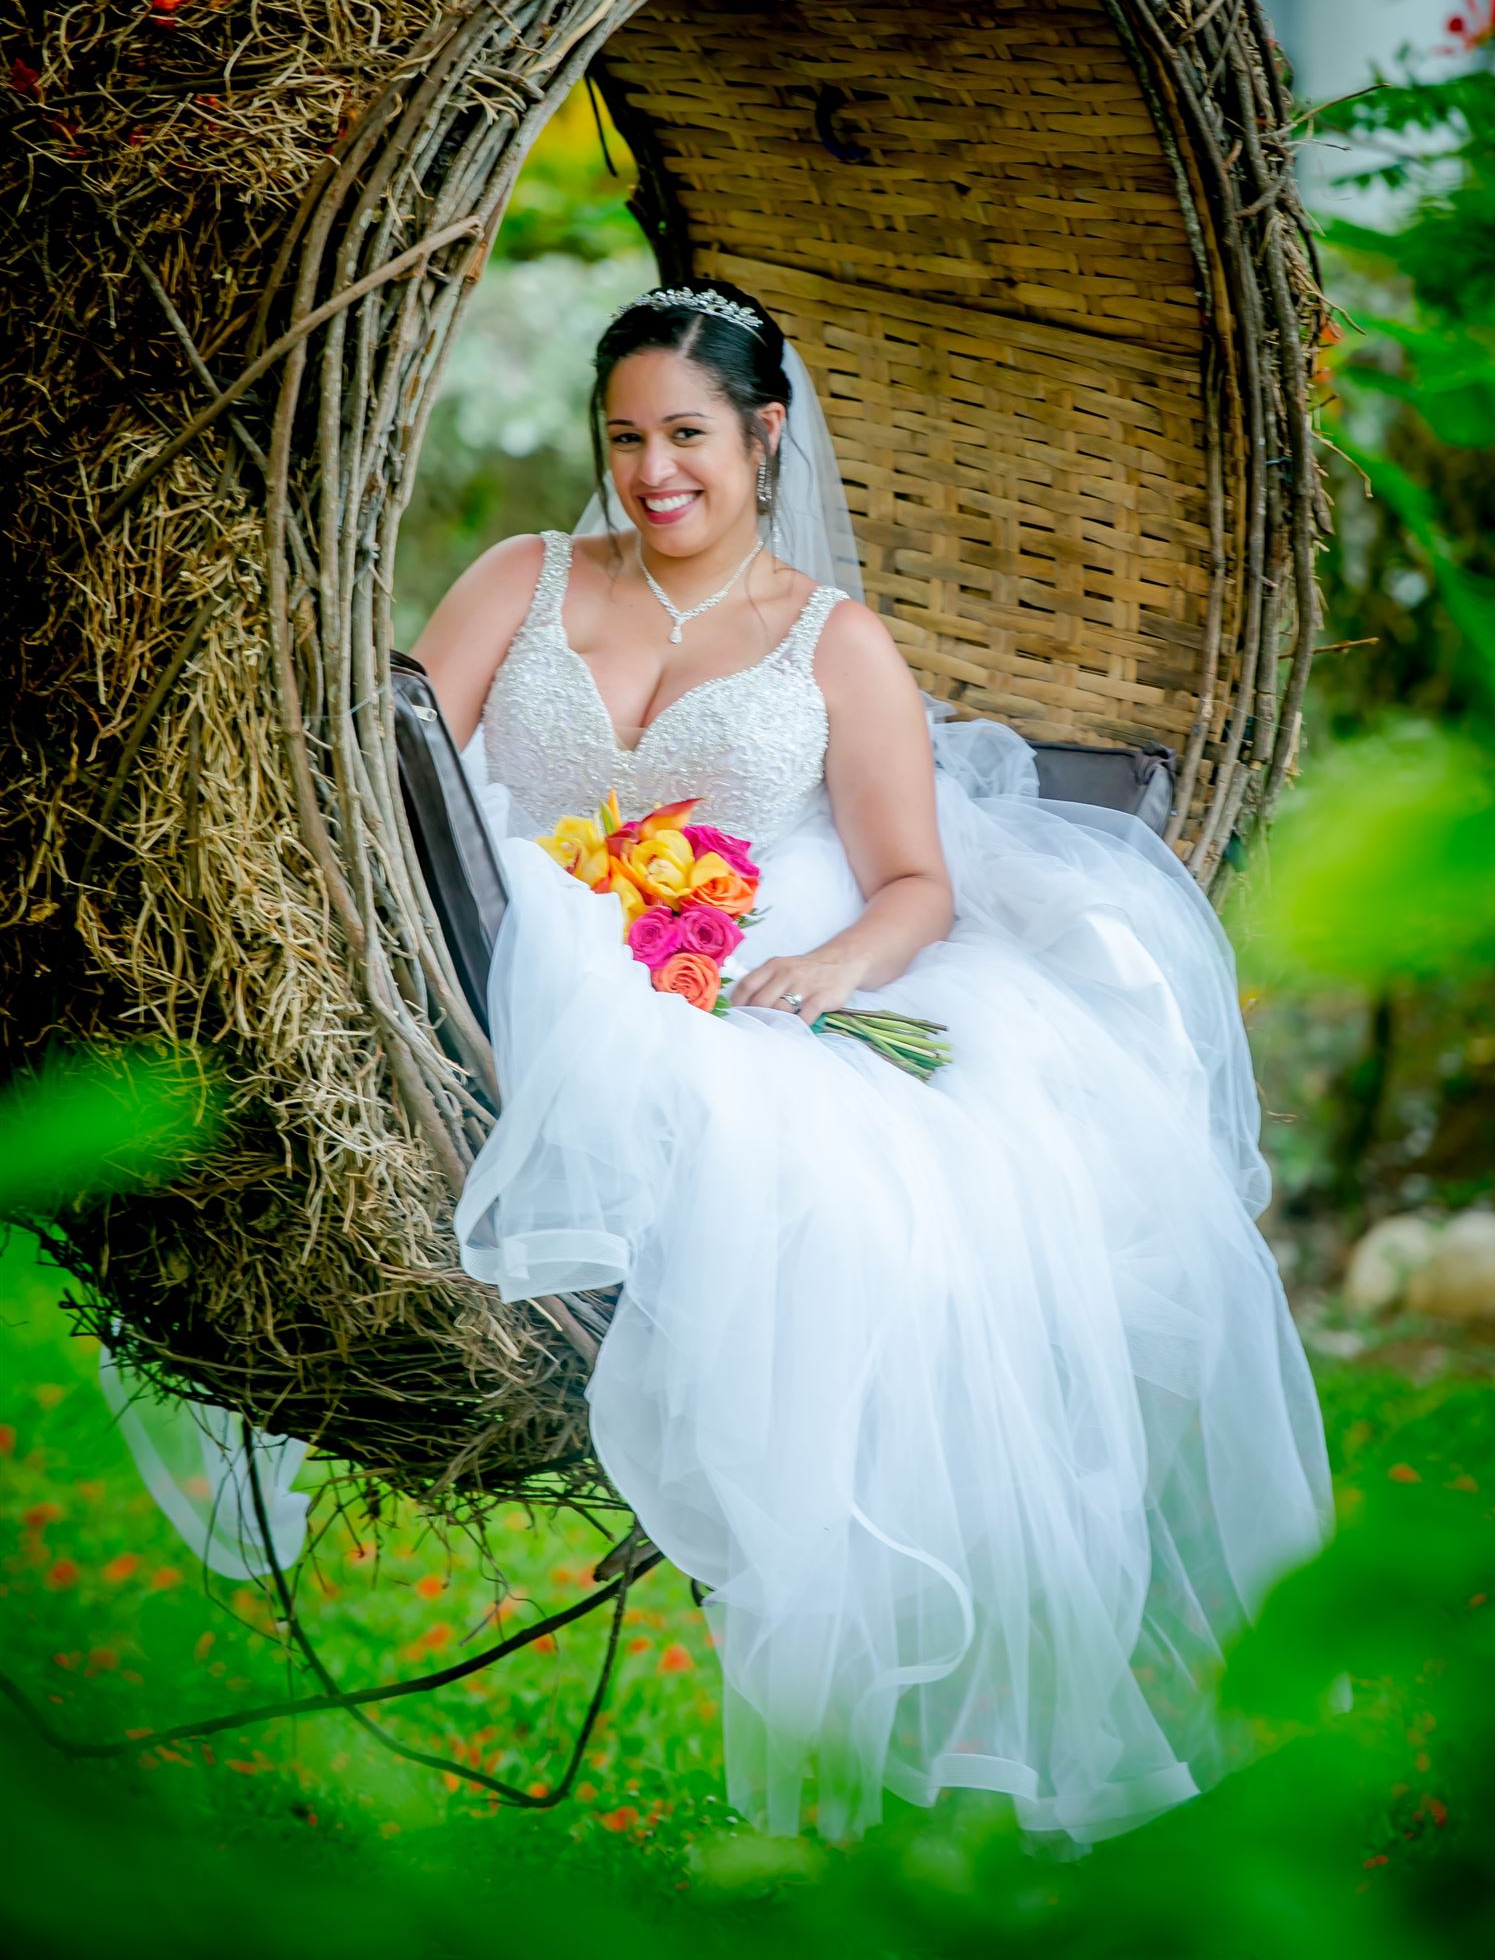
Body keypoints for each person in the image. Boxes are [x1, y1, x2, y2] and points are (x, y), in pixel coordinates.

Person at [413, 278, 1332, 1850]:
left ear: (763, 436)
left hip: (756, 973)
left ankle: (936, 1682)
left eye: (688, 435)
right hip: (519, 963)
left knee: (877, 1218)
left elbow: (913, 883)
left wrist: (829, 970)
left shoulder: (833, 643)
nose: (653, 472)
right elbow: (388, 773)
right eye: (624, 438)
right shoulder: (521, 577)